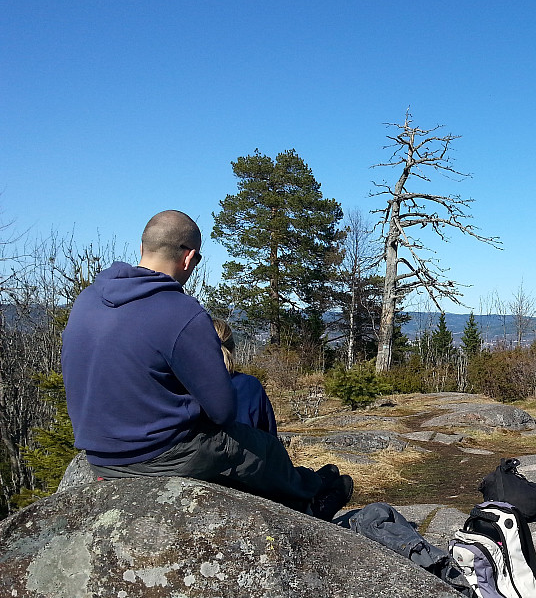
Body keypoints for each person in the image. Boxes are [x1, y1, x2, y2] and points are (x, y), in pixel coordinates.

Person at [61, 209, 352, 519]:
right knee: (259, 448)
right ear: (188, 257)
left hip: (98, 456)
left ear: (144, 247)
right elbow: (223, 410)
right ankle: (312, 498)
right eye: (197, 261)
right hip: (158, 456)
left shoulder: (87, 300)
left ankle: (310, 484)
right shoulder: (181, 311)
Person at [213, 319, 277, 436]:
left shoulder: (183, 388)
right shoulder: (250, 385)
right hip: (247, 453)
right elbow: (269, 437)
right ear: (233, 349)